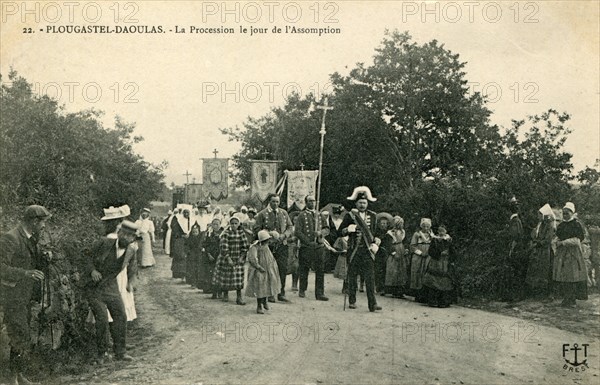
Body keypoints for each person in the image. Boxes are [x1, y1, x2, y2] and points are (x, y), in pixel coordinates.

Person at [0, 205, 52, 384]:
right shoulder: (10, 238)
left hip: (26, 296)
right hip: (13, 296)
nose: (44, 226)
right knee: (18, 334)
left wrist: (44, 257)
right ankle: (12, 378)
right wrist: (25, 273)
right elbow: (2, 268)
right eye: (43, 222)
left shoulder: (31, 238)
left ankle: (18, 375)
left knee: (23, 334)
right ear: (34, 221)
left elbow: (31, 261)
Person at [84, 220, 138, 364]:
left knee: (120, 315)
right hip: (94, 287)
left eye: (131, 236)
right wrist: (92, 270)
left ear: (133, 239)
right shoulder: (103, 243)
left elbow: (133, 270)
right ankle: (101, 354)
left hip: (110, 286)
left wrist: (131, 283)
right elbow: (86, 256)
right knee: (101, 317)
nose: (127, 238)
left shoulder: (131, 251)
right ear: (119, 233)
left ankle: (120, 352)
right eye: (125, 234)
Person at [340, 186, 382, 312]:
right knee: (352, 276)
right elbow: (340, 232)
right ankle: (352, 300)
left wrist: (377, 240)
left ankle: (372, 304)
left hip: (368, 251)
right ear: (356, 203)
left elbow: (378, 232)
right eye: (360, 203)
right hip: (354, 250)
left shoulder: (374, 216)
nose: (362, 205)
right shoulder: (350, 216)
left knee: (370, 278)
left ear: (367, 203)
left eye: (364, 203)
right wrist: (348, 230)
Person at [254, 193, 294, 303]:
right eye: (273, 201)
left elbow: (290, 227)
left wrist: (284, 235)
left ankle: (281, 293)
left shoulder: (284, 213)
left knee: (282, 269)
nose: (275, 204)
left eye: (277, 201)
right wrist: (268, 233)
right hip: (268, 246)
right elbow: (256, 229)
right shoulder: (262, 214)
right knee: (269, 269)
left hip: (282, 245)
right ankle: (270, 293)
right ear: (269, 202)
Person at [100, 205, 137, 323]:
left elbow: (130, 262)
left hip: (117, 273)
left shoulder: (117, 239)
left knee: (118, 292)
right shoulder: (108, 239)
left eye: (110, 222)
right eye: (107, 223)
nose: (107, 225)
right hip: (114, 273)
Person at [295, 195, 330, 301]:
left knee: (320, 270)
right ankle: (302, 289)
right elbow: (298, 232)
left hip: (319, 247)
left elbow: (327, 228)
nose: (312, 203)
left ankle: (319, 293)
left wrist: (320, 233)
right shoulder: (301, 215)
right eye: (310, 201)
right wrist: (308, 242)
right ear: (306, 202)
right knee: (304, 269)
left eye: (314, 201)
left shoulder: (319, 215)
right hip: (306, 247)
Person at [553, 202, 588, 307]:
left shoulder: (576, 225)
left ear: (572, 213)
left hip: (573, 253)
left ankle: (572, 299)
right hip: (562, 253)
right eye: (563, 213)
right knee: (563, 275)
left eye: (567, 213)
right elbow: (558, 236)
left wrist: (563, 242)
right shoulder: (562, 225)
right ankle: (566, 298)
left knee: (572, 276)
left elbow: (577, 240)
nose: (565, 215)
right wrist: (556, 242)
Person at [213, 216, 249, 305]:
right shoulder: (226, 233)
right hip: (227, 258)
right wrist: (228, 258)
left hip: (238, 258)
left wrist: (241, 258)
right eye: (232, 223)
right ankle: (225, 293)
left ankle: (239, 297)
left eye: (236, 223)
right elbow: (223, 247)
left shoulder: (241, 233)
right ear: (229, 224)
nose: (234, 225)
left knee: (238, 278)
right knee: (227, 276)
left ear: (239, 224)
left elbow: (245, 247)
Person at [246, 230, 282, 314]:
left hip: (268, 268)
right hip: (259, 269)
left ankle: (265, 301)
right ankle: (259, 305)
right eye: (265, 241)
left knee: (267, 284)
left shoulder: (267, 246)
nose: (267, 242)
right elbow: (252, 259)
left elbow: (275, 237)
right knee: (260, 286)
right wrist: (258, 267)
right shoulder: (255, 247)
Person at [525, 204, 556, 298]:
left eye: (540, 214)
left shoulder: (549, 225)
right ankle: (537, 291)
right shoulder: (540, 224)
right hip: (538, 250)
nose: (538, 216)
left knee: (545, 270)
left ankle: (546, 293)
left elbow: (548, 239)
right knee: (536, 270)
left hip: (545, 251)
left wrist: (538, 243)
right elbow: (534, 235)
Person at [422, 225, 457, 307]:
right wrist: (439, 253)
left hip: (445, 262)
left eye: (443, 231)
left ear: (446, 231)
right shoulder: (434, 240)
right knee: (433, 281)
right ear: (438, 232)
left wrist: (451, 259)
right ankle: (433, 301)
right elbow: (430, 251)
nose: (441, 233)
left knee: (445, 282)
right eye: (440, 231)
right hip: (436, 261)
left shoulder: (449, 240)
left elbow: (453, 252)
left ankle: (444, 301)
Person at [381, 216, 409, 298]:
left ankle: (400, 291)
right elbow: (387, 244)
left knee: (401, 270)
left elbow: (405, 241)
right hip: (394, 250)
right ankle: (390, 290)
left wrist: (406, 249)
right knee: (392, 270)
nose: (399, 225)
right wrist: (393, 252)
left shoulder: (403, 232)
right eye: (398, 224)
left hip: (401, 249)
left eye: (401, 224)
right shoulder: (390, 233)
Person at [410, 218, 433, 303]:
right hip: (418, 256)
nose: (426, 228)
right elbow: (412, 246)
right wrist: (420, 253)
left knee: (426, 273)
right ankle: (418, 295)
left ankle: (426, 295)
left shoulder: (431, 235)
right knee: (417, 273)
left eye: (427, 226)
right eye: (424, 226)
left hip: (428, 256)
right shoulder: (417, 234)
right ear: (421, 226)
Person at [202, 218, 223, 297]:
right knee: (211, 274)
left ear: (220, 225)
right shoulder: (209, 234)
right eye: (214, 224)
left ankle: (220, 292)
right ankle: (213, 292)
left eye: (217, 224)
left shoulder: (223, 234)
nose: (215, 226)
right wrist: (209, 254)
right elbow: (205, 245)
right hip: (211, 256)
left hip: (220, 256)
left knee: (220, 274)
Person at [170, 208, 193, 281]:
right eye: (185, 213)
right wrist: (181, 235)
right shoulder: (179, 221)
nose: (186, 214)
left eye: (188, 213)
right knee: (180, 256)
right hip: (181, 240)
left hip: (189, 240)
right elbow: (175, 231)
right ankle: (180, 275)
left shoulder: (192, 220)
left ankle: (187, 275)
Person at [375, 212, 393, 294]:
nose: (383, 225)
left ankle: (384, 287)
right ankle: (378, 286)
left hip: (386, 253)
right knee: (378, 269)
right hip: (377, 253)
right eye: (381, 223)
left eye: (385, 223)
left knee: (385, 269)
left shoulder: (389, 234)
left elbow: (389, 243)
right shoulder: (376, 232)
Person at [185, 224, 204, 289]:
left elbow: (201, 246)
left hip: (198, 255)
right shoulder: (190, 239)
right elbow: (187, 246)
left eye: (196, 232)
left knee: (198, 269)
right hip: (192, 255)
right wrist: (188, 252)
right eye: (193, 232)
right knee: (192, 269)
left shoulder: (200, 239)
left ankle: (198, 283)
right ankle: (193, 282)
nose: (195, 233)